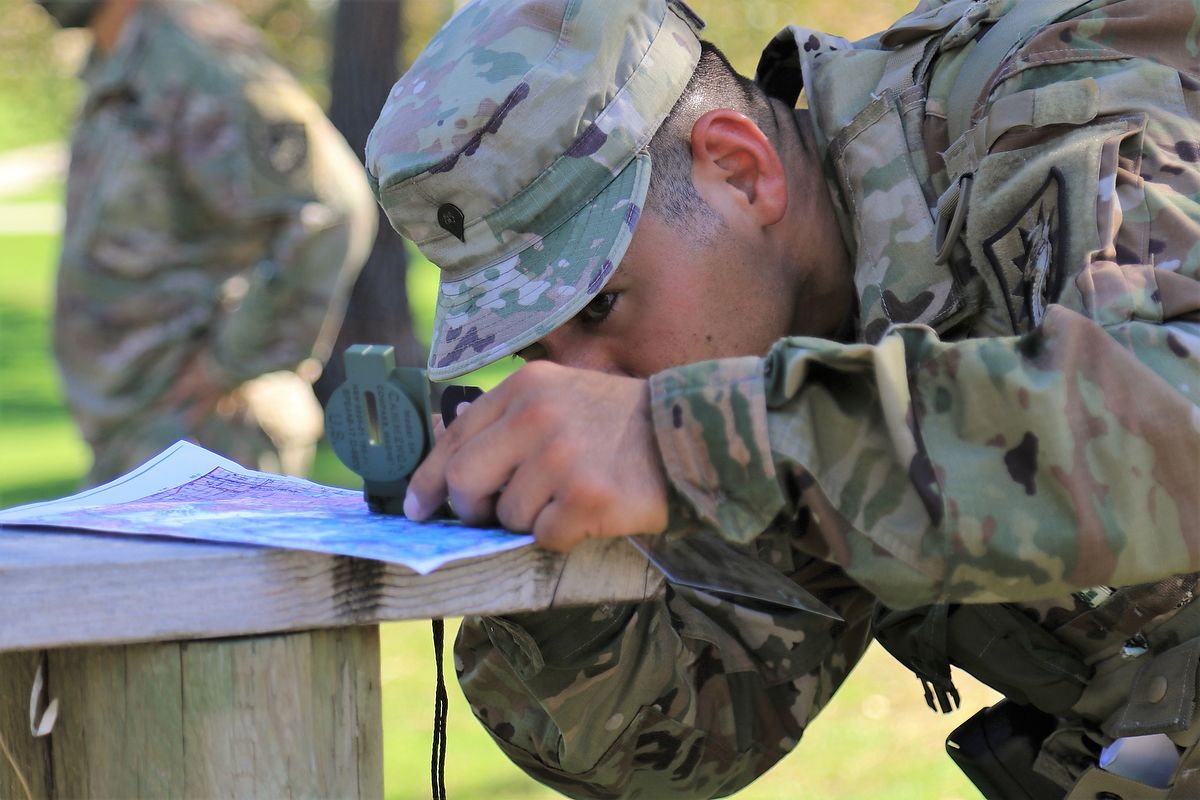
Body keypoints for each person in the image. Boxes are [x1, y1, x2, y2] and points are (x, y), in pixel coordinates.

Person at [367, 0, 1200, 796]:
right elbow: (682, 735)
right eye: (538, 349)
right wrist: (542, 570)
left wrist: (685, 443)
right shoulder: (775, 348)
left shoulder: (1076, 88)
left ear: (739, 167)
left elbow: (1176, 420)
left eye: (599, 306)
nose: (585, 379)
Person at [38, 0, 376, 485]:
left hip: (207, 433)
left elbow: (331, 207)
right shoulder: (121, 60)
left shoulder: (196, 60)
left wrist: (232, 361)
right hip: (139, 431)